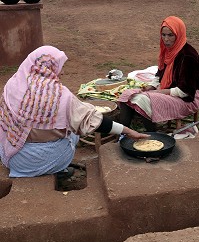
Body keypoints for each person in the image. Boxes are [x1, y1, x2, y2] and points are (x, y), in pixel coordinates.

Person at [0, 45, 149, 179]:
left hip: (9, 151)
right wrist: (128, 131)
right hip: (34, 160)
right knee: (73, 133)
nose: (62, 72)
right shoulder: (59, 95)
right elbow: (94, 121)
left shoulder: (14, 83)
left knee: (69, 122)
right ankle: (56, 169)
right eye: (58, 67)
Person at [118, 16, 199, 132]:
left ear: (179, 34)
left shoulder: (188, 56)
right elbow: (160, 72)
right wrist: (151, 86)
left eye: (170, 35)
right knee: (128, 95)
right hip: (171, 90)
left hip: (187, 98)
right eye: (163, 35)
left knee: (144, 100)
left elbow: (186, 91)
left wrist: (159, 92)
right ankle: (123, 134)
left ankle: (153, 137)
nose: (166, 39)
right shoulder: (169, 50)